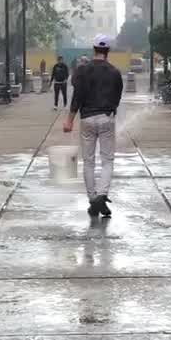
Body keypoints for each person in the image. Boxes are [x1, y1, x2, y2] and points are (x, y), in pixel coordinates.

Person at [63, 34, 123, 217]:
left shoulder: (82, 70)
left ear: (94, 49)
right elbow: (117, 97)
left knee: (88, 161)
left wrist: (69, 120)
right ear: (108, 51)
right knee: (107, 160)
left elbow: (77, 97)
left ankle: (93, 199)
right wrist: (110, 110)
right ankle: (102, 195)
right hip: (106, 117)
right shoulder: (115, 72)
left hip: (87, 119)